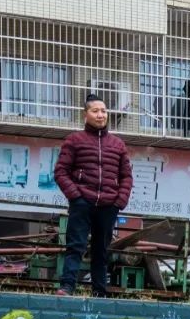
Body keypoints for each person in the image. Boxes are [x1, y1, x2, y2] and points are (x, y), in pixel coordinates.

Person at [53, 94, 133, 297]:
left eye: (104, 111)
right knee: (75, 246)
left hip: (108, 204)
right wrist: (76, 197)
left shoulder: (117, 144)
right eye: (95, 111)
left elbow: (126, 176)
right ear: (85, 114)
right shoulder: (74, 140)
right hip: (82, 202)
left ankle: (99, 291)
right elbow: (61, 172)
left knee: (101, 250)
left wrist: (119, 201)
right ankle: (67, 287)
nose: (100, 115)